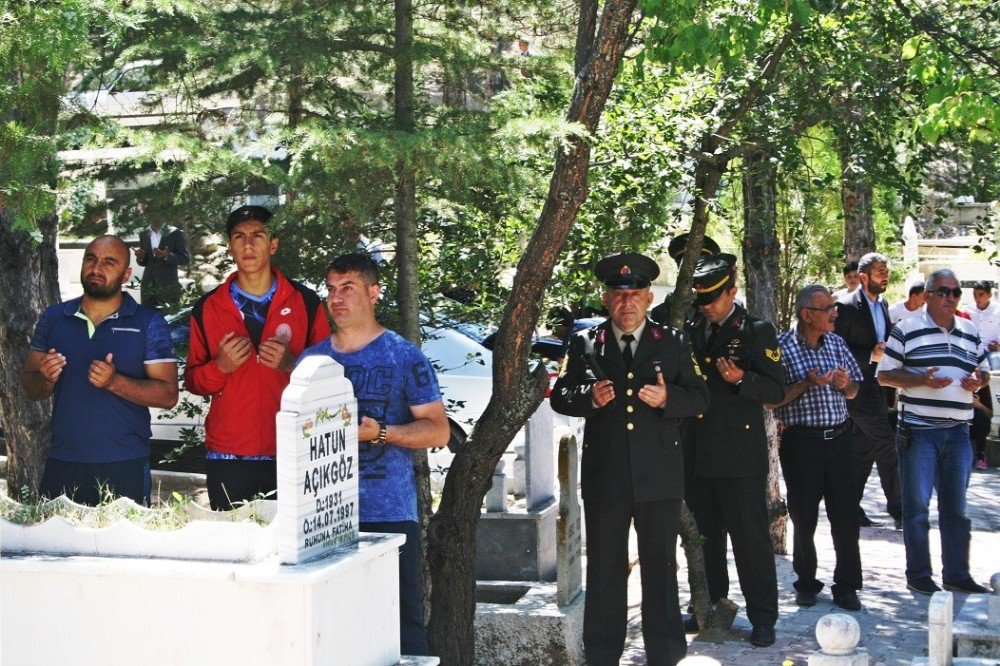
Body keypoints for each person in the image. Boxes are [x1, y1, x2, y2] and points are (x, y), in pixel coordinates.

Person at [551, 252, 709, 666]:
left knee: (660, 569)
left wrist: (668, 398)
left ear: (650, 298)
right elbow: (560, 395)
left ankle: (666, 654)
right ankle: (602, 656)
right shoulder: (586, 342)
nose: (627, 303)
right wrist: (588, 396)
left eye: (635, 294)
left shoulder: (672, 342)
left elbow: (701, 397)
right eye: (618, 295)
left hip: (659, 476)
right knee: (604, 570)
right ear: (605, 299)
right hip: (607, 476)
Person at [298, 252, 449, 656]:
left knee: (399, 626)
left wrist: (381, 433)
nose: (337, 298)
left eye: (348, 288)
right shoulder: (311, 361)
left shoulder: (403, 355)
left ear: (374, 292)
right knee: (333, 628)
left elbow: (438, 429)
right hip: (324, 518)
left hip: (390, 513)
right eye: (331, 289)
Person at [184, 205, 330, 510]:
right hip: (229, 453)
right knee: (235, 546)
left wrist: (292, 364)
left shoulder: (305, 302)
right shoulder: (208, 307)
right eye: (239, 236)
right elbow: (194, 382)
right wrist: (220, 367)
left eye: (257, 235)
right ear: (229, 246)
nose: (248, 244)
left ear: (273, 244)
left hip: (294, 447)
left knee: (293, 551)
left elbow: (331, 379)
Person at [21, 235, 178, 505]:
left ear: (126, 274)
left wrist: (114, 382)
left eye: (109, 262)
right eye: (91, 259)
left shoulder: (148, 322)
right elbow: (30, 386)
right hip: (63, 460)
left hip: (124, 462)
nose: (96, 268)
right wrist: (46, 379)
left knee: (122, 546)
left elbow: (168, 396)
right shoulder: (54, 317)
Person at [682, 254, 784, 648]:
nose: (707, 306)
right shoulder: (692, 326)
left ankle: (763, 617)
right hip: (698, 451)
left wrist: (744, 379)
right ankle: (708, 607)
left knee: (750, 542)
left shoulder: (757, 331)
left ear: (732, 292)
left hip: (740, 457)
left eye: (713, 298)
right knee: (704, 540)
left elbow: (776, 391)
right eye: (701, 299)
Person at [876, 269, 991, 595]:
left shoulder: (969, 330)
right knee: (917, 509)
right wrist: (919, 380)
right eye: (943, 292)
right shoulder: (907, 330)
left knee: (956, 510)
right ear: (927, 296)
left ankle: (956, 574)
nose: (950, 298)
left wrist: (976, 381)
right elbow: (884, 376)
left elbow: (982, 370)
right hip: (918, 431)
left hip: (958, 432)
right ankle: (919, 575)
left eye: (955, 292)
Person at [769, 285, 864, 611]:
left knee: (846, 517)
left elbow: (854, 390)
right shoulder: (781, 347)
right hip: (801, 444)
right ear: (807, 314)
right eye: (827, 309)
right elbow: (772, 399)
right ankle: (806, 582)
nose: (834, 313)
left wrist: (844, 384)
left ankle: (848, 585)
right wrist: (806, 383)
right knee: (804, 517)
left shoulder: (836, 343)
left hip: (839, 439)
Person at [833, 252, 902, 530]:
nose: (885, 276)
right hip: (855, 389)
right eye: (879, 272)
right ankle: (901, 511)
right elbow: (836, 349)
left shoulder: (883, 303)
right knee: (888, 444)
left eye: (886, 271)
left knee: (864, 451)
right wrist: (869, 355)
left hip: (878, 387)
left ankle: (848, 508)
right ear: (863, 277)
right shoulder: (846, 307)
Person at [649, 232, 720, 325]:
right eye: (684, 264)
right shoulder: (661, 313)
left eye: (698, 264)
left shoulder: (721, 307)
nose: (690, 270)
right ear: (679, 268)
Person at [966, 280, 998, 470]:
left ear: (989, 294)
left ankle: (989, 404)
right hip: (972, 352)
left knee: (993, 368)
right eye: (975, 295)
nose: (978, 299)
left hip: (992, 353)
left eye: (981, 295)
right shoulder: (969, 311)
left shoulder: (998, 311)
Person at [133, 203, 190, 309]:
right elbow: (145, 262)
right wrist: (141, 257)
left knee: (169, 323)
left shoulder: (176, 233)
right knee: (148, 323)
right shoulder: (144, 235)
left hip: (168, 289)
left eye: (154, 213)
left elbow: (184, 258)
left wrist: (166, 256)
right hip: (148, 291)